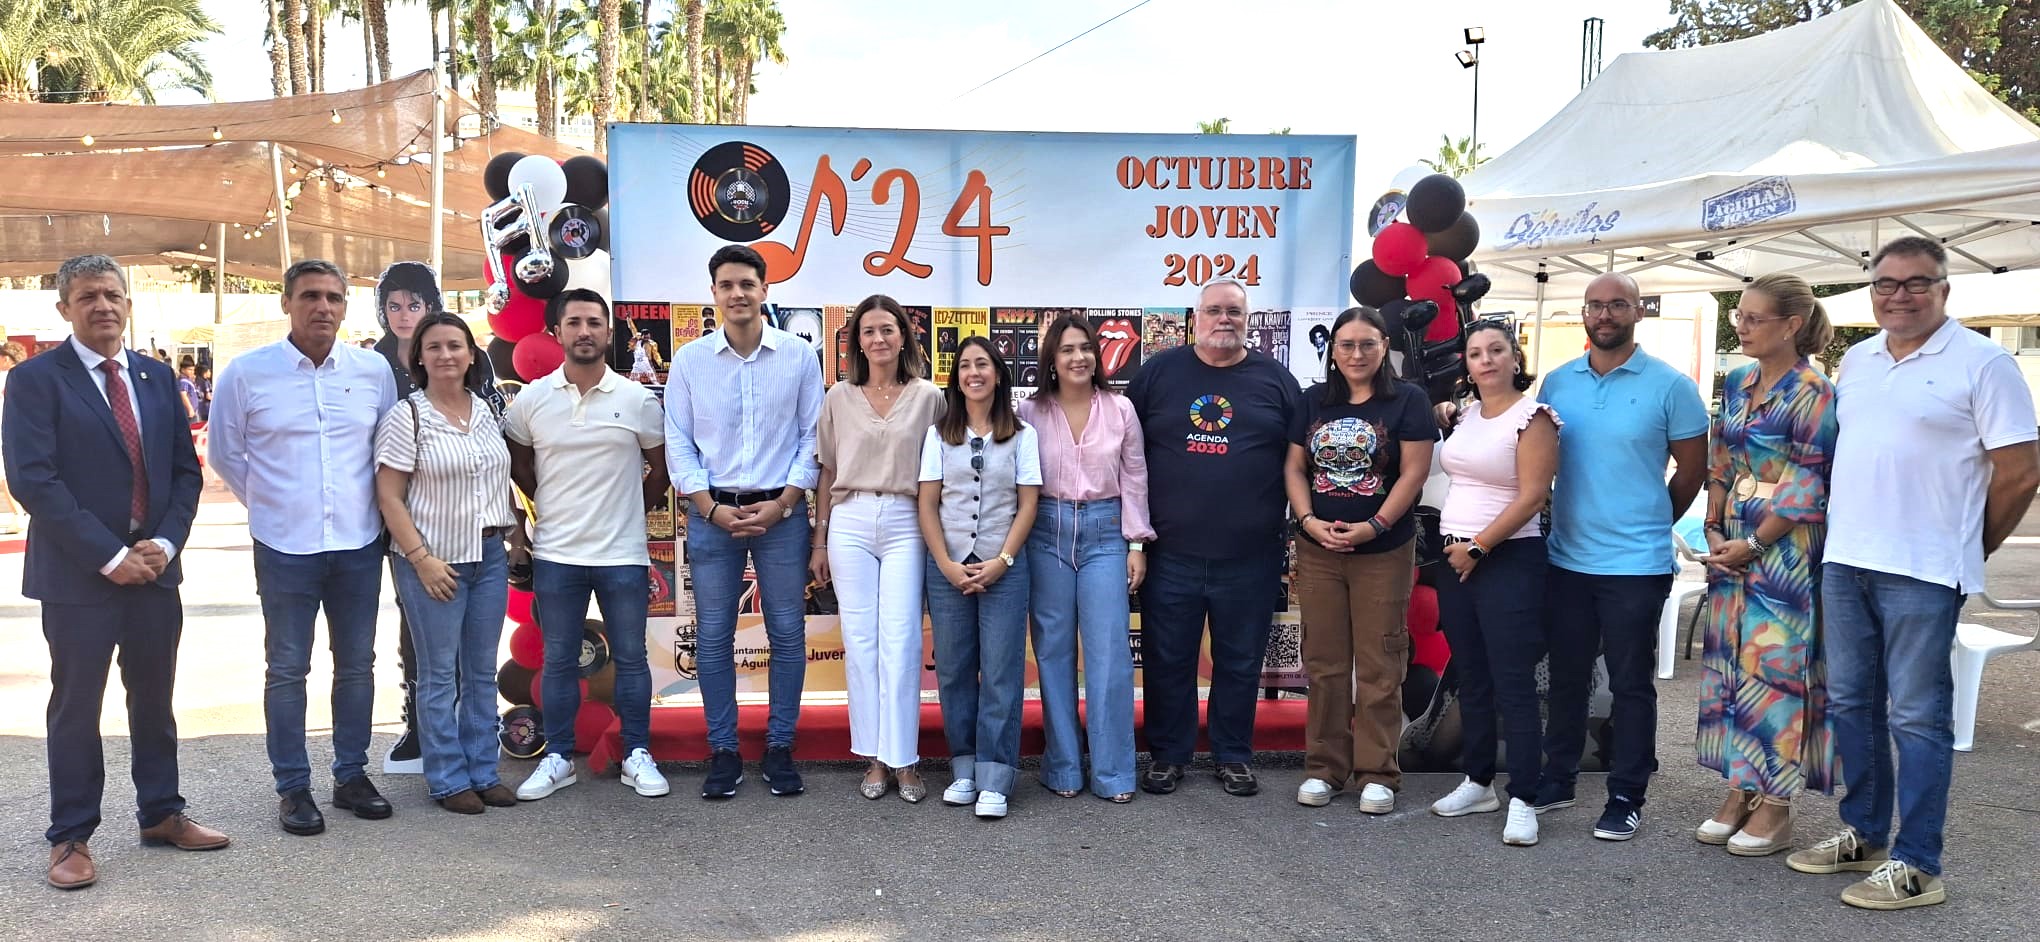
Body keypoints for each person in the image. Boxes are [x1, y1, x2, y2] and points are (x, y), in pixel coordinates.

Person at [1788, 237, 2039, 910]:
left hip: (1923, 571)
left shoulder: (1985, 364)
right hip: (1848, 561)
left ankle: (1918, 863)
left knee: (1918, 717)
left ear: (1945, 290)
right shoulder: (1860, 360)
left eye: (1915, 283)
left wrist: (1965, 547)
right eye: (1885, 285)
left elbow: (2020, 473)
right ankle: (1865, 833)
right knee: (1851, 705)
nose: (1898, 295)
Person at [3, 255, 225, 890]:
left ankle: (161, 812)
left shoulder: (156, 379)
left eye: (112, 294)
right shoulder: (36, 381)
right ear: (64, 309)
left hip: (155, 572)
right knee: (77, 707)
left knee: (154, 701)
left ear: (128, 303)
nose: (103, 305)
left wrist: (162, 543)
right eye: (87, 296)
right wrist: (110, 555)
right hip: (79, 578)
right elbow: (33, 480)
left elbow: (185, 474)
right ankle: (71, 835)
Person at [210, 259, 399, 836]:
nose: (323, 307)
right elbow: (225, 454)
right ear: (286, 302)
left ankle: (350, 775)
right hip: (284, 546)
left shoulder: (373, 372)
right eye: (310, 296)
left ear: (346, 307)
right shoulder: (247, 374)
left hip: (358, 542)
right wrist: (271, 506)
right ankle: (293, 787)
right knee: (288, 669)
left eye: (334, 298)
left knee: (357, 665)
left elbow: (388, 450)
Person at [1535, 271, 1708, 841]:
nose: (1604, 314)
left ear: (1637, 312)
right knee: (1566, 677)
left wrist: (1653, 517)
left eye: (1616, 305)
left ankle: (1626, 795)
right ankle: (1557, 780)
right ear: (1583, 315)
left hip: (1637, 565)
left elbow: (1693, 469)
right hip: (1567, 560)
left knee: (1632, 685)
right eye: (1594, 306)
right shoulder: (1556, 384)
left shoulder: (1670, 386)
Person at [1124, 280, 1302, 797]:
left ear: (1248, 319)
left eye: (1234, 312)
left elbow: (1299, 459)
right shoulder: (1158, 373)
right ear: (1193, 317)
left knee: (1241, 660)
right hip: (1170, 552)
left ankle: (1232, 754)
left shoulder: (1277, 381)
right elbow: (1127, 453)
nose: (1224, 319)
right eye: (1213, 311)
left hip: (1251, 554)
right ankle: (1167, 754)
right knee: (1167, 657)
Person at [665, 245, 823, 799]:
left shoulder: (800, 359)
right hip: (713, 515)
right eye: (727, 284)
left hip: (782, 515)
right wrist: (710, 506)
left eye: (747, 284)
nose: (737, 294)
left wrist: (783, 503)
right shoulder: (688, 362)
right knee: (713, 636)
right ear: (713, 293)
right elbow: (678, 445)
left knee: (786, 632)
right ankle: (724, 750)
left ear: (765, 290)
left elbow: (812, 439)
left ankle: (780, 747)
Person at [1691, 273, 1839, 856]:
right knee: (1731, 663)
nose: (1742, 327)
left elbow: (1809, 480)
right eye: (1738, 318)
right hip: (1732, 537)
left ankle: (1776, 804)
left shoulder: (1814, 390)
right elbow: (1720, 458)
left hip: (1785, 548)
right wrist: (1711, 523)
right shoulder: (1736, 380)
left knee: (1774, 670)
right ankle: (1740, 787)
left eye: (1754, 318)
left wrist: (1754, 543)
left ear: (1792, 325)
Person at [506, 288, 673, 801]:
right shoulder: (532, 400)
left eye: (594, 322)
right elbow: (518, 465)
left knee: (631, 657)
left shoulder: (637, 399)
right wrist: (553, 505)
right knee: (558, 660)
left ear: (607, 332)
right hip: (557, 554)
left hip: (622, 555)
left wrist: (623, 509)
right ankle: (557, 757)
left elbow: (661, 472)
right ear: (557, 332)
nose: (584, 331)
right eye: (574, 321)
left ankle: (637, 754)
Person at [1283, 307, 1436, 814]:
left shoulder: (1407, 401)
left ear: (1384, 346)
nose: (1355, 354)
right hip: (1319, 548)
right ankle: (1324, 768)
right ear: (1334, 350)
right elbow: (1295, 466)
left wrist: (1375, 525)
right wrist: (1306, 521)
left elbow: (1414, 473)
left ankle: (1377, 773)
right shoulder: (1311, 401)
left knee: (1379, 663)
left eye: (1367, 344)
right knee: (1324, 663)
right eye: (1346, 344)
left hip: (1382, 551)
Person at [373, 312, 524, 814]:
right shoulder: (407, 415)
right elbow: (389, 496)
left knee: (480, 672)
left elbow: (497, 480)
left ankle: (483, 770)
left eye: (455, 346)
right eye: (434, 347)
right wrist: (420, 559)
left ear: (470, 353)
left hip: (488, 557)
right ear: (419, 356)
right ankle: (446, 778)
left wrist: (514, 534)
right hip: (433, 563)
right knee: (439, 675)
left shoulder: (483, 409)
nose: (446, 355)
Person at [1426, 319, 1560, 847]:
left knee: (1513, 682)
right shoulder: (1468, 414)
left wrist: (1479, 547)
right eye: (1476, 352)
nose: (1486, 359)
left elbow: (1533, 495)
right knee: (1471, 676)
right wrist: (1463, 551)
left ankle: (1525, 796)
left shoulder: (1535, 418)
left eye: (1496, 350)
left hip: (1506, 558)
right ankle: (1478, 781)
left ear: (1514, 358)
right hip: (1455, 557)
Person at [813, 293, 944, 803]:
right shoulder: (838, 398)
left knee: (903, 640)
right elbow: (826, 471)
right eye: (868, 331)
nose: (879, 339)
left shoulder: (930, 397)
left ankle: (905, 759)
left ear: (903, 336)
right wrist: (819, 538)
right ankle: (872, 756)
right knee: (862, 641)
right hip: (850, 519)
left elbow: (942, 470)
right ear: (856, 342)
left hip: (909, 519)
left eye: (888, 329)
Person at [1015, 315, 1151, 804]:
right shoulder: (1029, 412)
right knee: (1052, 653)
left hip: (1104, 533)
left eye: (1086, 348)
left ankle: (1114, 772)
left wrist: (1136, 543)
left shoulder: (1121, 409)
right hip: (1045, 531)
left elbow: (1135, 476)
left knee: (1110, 654)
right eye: (1067, 349)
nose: (1078, 357)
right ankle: (1063, 766)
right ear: (1050, 358)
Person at [918, 337, 1040, 819]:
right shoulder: (937, 434)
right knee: (953, 670)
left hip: (1004, 567)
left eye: (983, 364)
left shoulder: (1022, 435)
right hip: (947, 567)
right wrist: (946, 563)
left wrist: (1003, 559)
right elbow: (927, 502)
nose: (974, 372)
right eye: (965, 365)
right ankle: (964, 767)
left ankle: (996, 774)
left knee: (1002, 672)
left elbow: (1027, 502)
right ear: (957, 378)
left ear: (998, 373)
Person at [0, 341, 26, 534]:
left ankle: (19, 513)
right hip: (23, 430)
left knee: (4, 476)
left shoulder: (5, 377)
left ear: (6, 358)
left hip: (4, 428)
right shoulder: (30, 374)